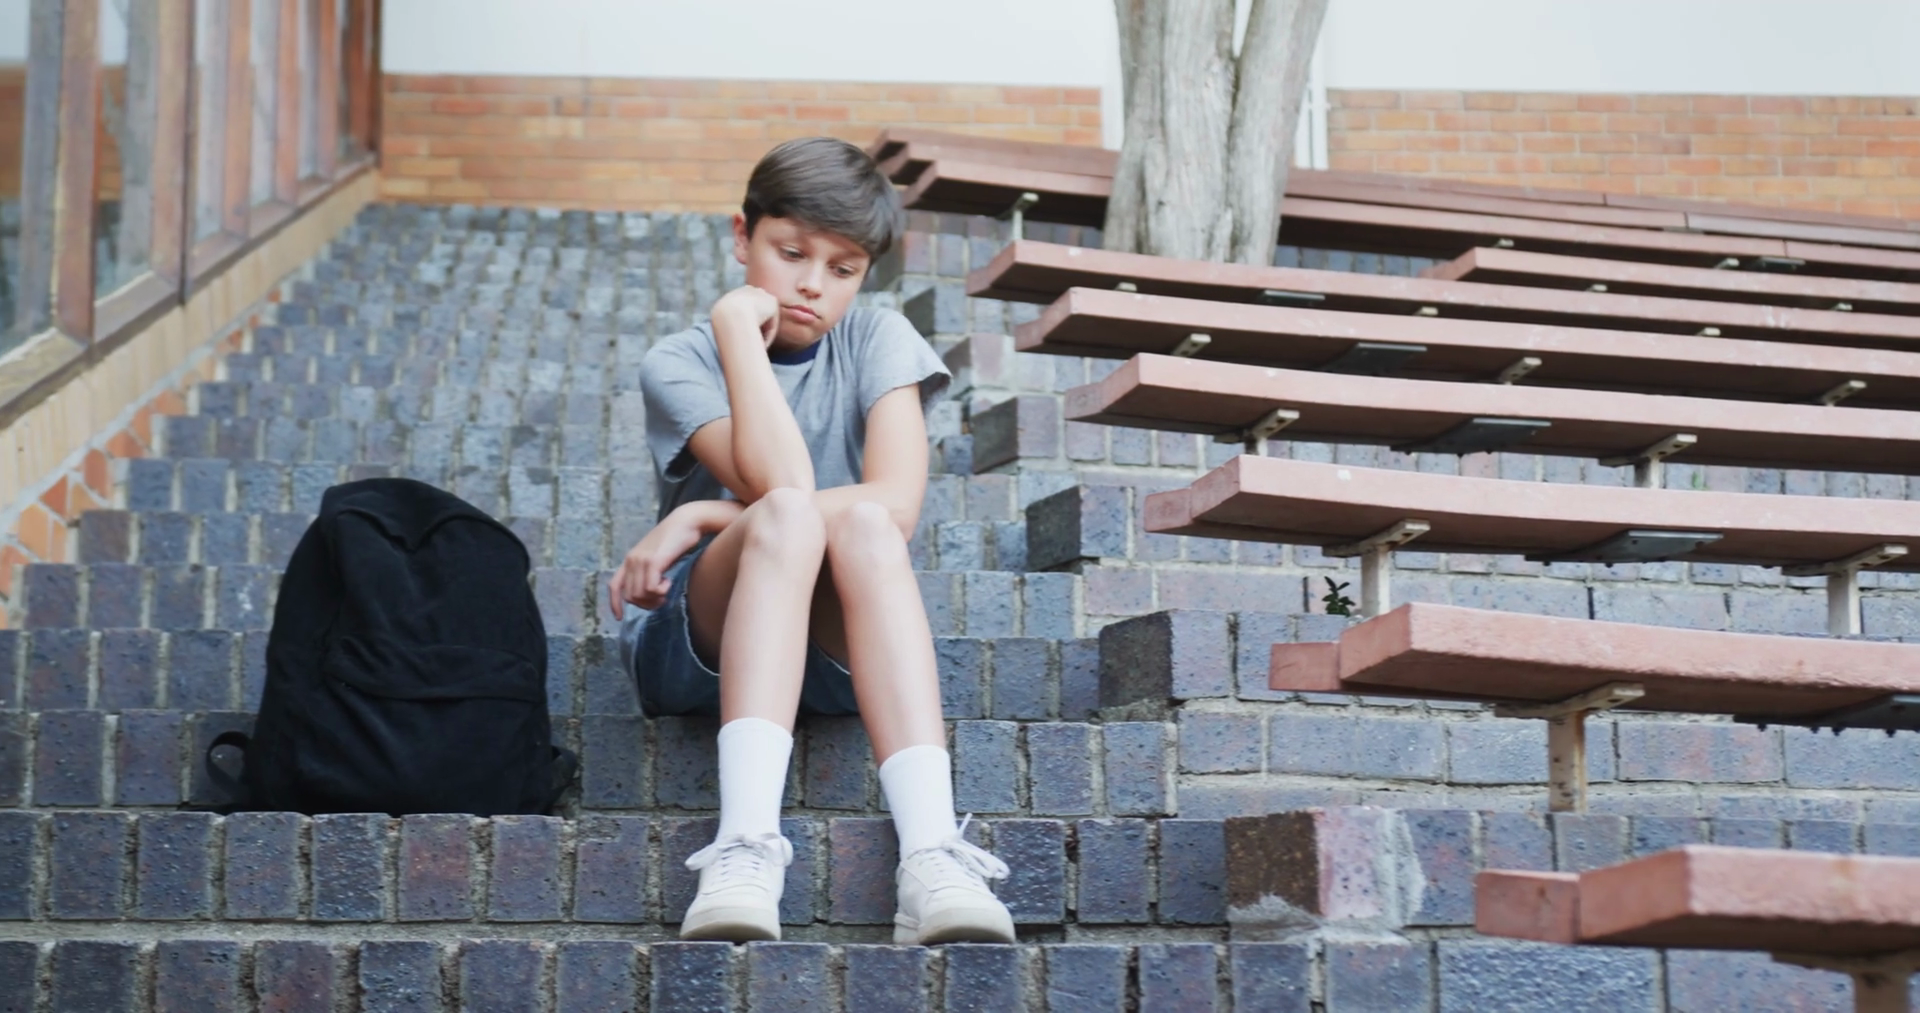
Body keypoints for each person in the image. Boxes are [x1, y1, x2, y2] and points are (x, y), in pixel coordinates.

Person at [609, 137, 1016, 946]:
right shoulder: (681, 360)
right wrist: (736, 328)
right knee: (793, 516)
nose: (811, 285)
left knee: (866, 526)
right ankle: (745, 848)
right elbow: (783, 485)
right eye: (791, 253)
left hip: (833, 652)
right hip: (695, 642)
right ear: (743, 235)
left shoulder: (877, 339)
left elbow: (896, 505)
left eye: (843, 268)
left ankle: (932, 853)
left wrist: (708, 513)